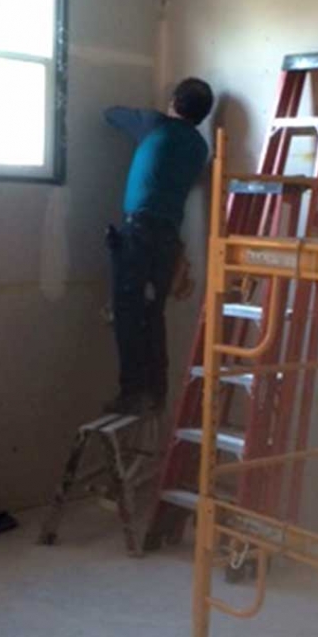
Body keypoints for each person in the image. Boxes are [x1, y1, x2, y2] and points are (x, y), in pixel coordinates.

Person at [103, 77, 213, 415]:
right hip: (167, 239)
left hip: (140, 232)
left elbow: (110, 114)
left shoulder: (154, 125)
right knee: (152, 315)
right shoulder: (199, 147)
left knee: (128, 312)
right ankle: (157, 394)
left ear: (175, 102)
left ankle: (134, 392)